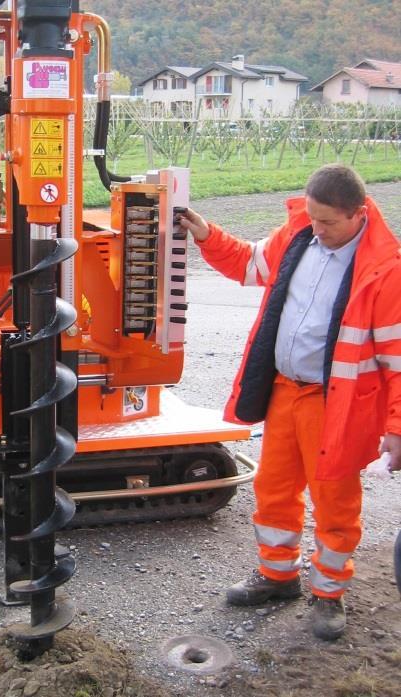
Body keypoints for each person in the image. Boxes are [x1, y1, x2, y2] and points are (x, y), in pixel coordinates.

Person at [177, 164, 401, 641]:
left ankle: (328, 594)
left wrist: (397, 428)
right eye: (313, 218)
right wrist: (206, 234)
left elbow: (399, 361)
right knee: (275, 488)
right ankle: (277, 577)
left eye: (328, 223)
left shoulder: (386, 271)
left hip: (334, 407)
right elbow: (249, 262)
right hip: (284, 391)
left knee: (335, 503)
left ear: (358, 215)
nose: (316, 229)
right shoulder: (300, 234)